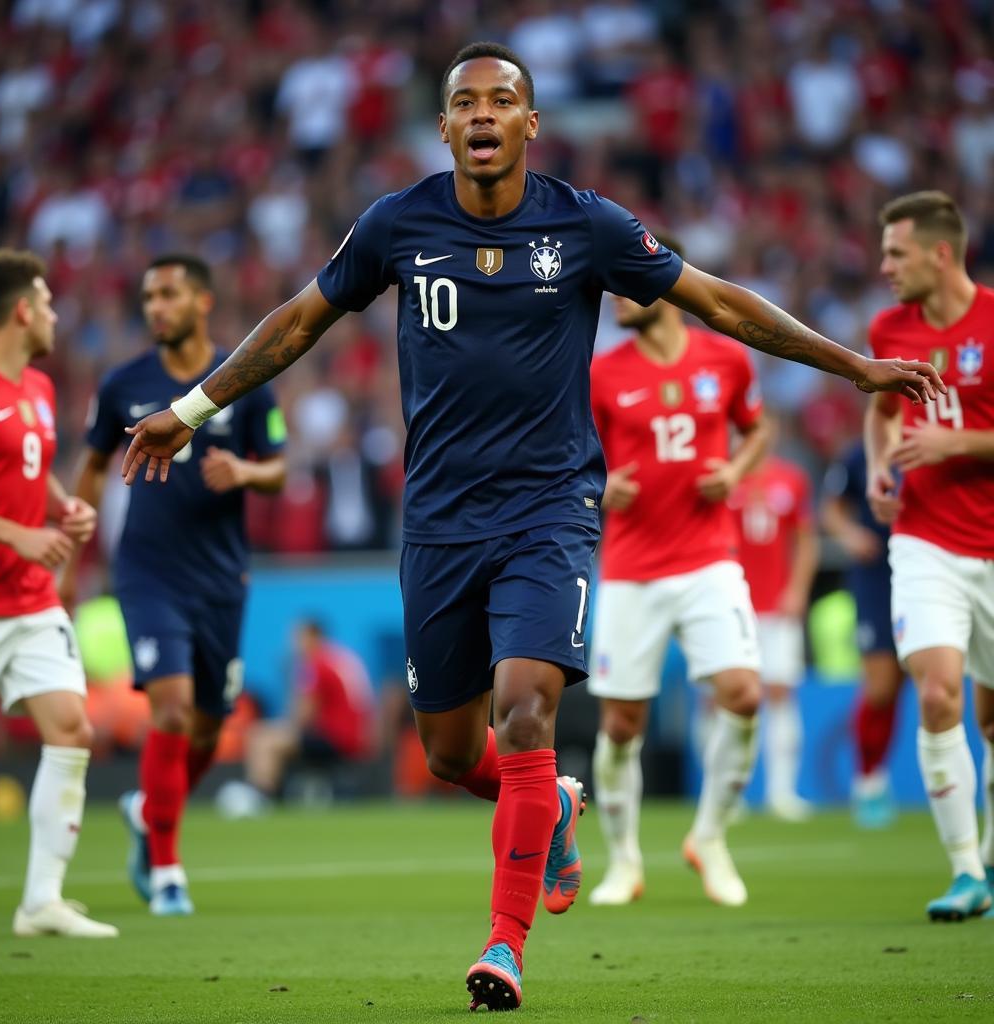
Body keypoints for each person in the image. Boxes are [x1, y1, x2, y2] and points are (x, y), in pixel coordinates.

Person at [118, 43, 942, 1010]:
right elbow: (301, 321)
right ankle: (549, 803)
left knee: (526, 710)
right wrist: (194, 404)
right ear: (444, 126)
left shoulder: (587, 225)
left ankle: (503, 947)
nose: (482, 114)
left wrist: (856, 367)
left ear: (529, 123)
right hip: (436, 524)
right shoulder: (396, 223)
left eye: (502, 100)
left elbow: (716, 300)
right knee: (454, 754)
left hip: (550, 513)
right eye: (465, 101)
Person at [60, 254, 286, 916]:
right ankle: (166, 872)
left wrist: (244, 475)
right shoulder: (124, 384)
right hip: (148, 570)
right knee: (171, 710)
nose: (155, 306)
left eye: (168, 294)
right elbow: (93, 464)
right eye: (148, 296)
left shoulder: (244, 377)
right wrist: (75, 560)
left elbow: (278, 468)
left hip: (220, 576)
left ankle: (147, 810)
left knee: (210, 732)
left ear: (203, 301)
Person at [586, 255, 768, 908]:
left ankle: (710, 836)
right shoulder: (600, 374)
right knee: (624, 720)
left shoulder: (726, 360)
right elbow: (571, 458)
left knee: (744, 693)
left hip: (709, 559)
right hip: (632, 570)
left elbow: (758, 427)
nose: (614, 300)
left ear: (662, 287)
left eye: (625, 287)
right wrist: (601, 487)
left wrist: (737, 471)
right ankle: (624, 860)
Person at [0, 248, 117, 938]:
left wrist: (62, 510)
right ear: (23, 310)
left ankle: (41, 900)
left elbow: (29, 467)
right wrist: (15, 535)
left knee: (72, 727)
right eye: (48, 302)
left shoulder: (38, 388)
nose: (56, 314)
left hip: (30, 598)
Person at [865, 190, 994, 922]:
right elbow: (879, 410)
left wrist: (957, 444)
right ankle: (966, 872)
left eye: (896, 253)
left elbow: (953, 434)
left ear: (940, 254)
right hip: (924, 540)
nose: (884, 267)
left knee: (993, 716)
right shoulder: (890, 327)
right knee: (938, 691)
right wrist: (882, 464)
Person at [729, 429, 819, 823]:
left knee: (780, 691)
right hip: (733, 604)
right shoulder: (725, 476)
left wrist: (797, 590)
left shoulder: (791, 478)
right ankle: (730, 794)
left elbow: (807, 540)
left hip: (777, 604)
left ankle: (782, 792)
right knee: (724, 697)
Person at [820, 439, 905, 829]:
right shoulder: (861, 451)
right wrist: (852, 537)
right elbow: (832, 509)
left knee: (908, 683)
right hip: (876, 577)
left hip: (925, 568)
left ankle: (878, 778)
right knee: (881, 686)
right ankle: (868, 780)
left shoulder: (933, 438)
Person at [244, 621, 377, 801]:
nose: (295, 644)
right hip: (357, 737)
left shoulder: (316, 663)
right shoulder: (342, 658)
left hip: (334, 738)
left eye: (299, 638)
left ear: (313, 637)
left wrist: (283, 728)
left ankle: (260, 797)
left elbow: (305, 715)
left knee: (262, 739)